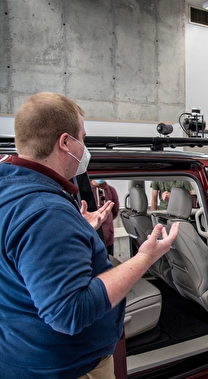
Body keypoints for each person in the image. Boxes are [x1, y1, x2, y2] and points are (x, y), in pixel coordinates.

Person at [0, 92, 180, 378]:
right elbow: (70, 311)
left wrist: (77, 230)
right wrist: (145, 257)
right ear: (65, 142)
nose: (84, 147)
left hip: (29, 355)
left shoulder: (13, 192)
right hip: (68, 368)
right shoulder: (46, 212)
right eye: (82, 138)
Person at [90, 179, 120, 255]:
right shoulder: (85, 190)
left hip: (107, 237)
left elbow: (115, 211)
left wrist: (107, 221)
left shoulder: (111, 190)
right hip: (91, 235)